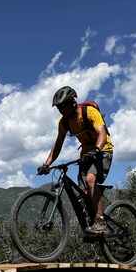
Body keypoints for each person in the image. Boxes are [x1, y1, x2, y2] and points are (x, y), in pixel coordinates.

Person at [37, 86, 113, 235]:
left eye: (62, 107)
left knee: (91, 180)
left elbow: (102, 134)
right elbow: (58, 145)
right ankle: (94, 223)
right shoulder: (64, 123)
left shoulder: (89, 112)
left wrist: (96, 150)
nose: (61, 111)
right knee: (83, 192)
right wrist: (47, 164)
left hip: (103, 150)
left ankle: (100, 221)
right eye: (58, 108)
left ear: (72, 103)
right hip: (85, 154)